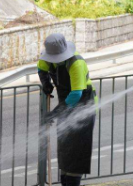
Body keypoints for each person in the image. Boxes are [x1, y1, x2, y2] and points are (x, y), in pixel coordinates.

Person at [37, 33, 98, 186]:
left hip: (83, 106)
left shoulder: (76, 63)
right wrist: (46, 83)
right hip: (66, 104)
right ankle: (66, 180)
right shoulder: (48, 60)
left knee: (77, 149)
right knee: (65, 147)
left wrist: (56, 113)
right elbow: (41, 68)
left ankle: (72, 182)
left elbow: (76, 94)